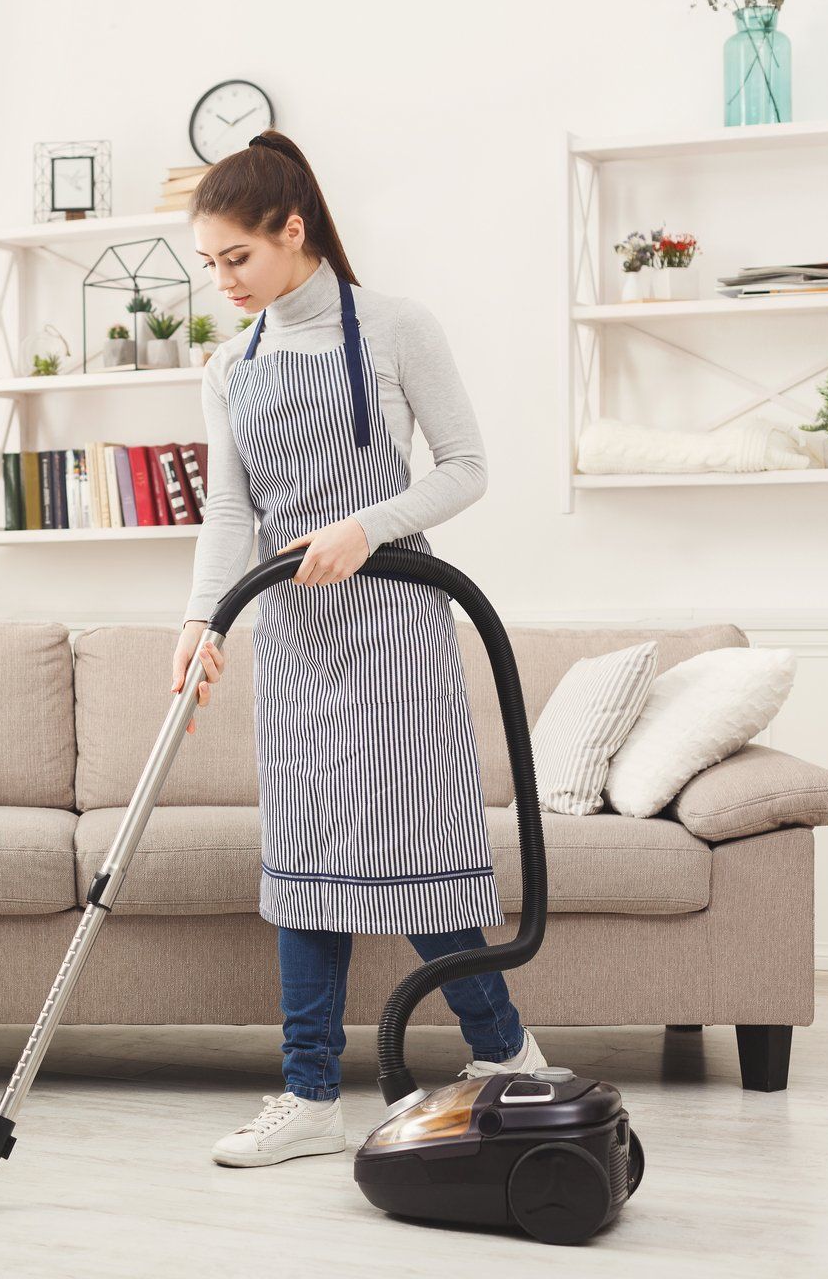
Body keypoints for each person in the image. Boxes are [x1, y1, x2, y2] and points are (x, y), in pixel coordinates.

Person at [169, 130, 544, 1169]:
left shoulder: (392, 327)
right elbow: (229, 518)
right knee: (306, 861)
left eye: (236, 257)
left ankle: (509, 1054)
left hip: (393, 624)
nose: (223, 281)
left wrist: (365, 525)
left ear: (295, 232)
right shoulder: (226, 367)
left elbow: (466, 468)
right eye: (209, 263)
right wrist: (202, 623)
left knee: (416, 850)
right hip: (294, 637)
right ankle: (310, 1094)